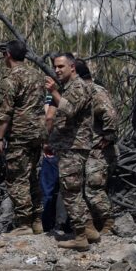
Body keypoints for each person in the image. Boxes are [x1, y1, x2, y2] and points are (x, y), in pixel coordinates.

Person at [0, 40, 47, 235]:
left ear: (8, 54)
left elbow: (5, 112)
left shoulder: (11, 79)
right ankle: (37, 220)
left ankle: (24, 223)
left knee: (17, 178)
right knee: (32, 175)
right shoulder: (37, 76)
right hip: (37, 132)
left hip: (20, 133)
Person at [46, 53, 95, 250]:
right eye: (55, 67)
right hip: (67, 146)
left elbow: (70, 109)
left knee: (70, 191)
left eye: (61, 67)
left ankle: (80, 237)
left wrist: (54, 93)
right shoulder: (69, 87)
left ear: (72, 67)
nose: (57, 70)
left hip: (75, 146)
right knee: (72, 189)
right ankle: (89, 229)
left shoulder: (79, 86)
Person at [76, 60, 119, 236]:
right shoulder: (82, 91)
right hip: (89, 148)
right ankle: (97, 225)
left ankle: (109, 223)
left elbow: (110, 114)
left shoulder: (95, 91)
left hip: (99, 150)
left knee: (93, 189)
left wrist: (108, 136)